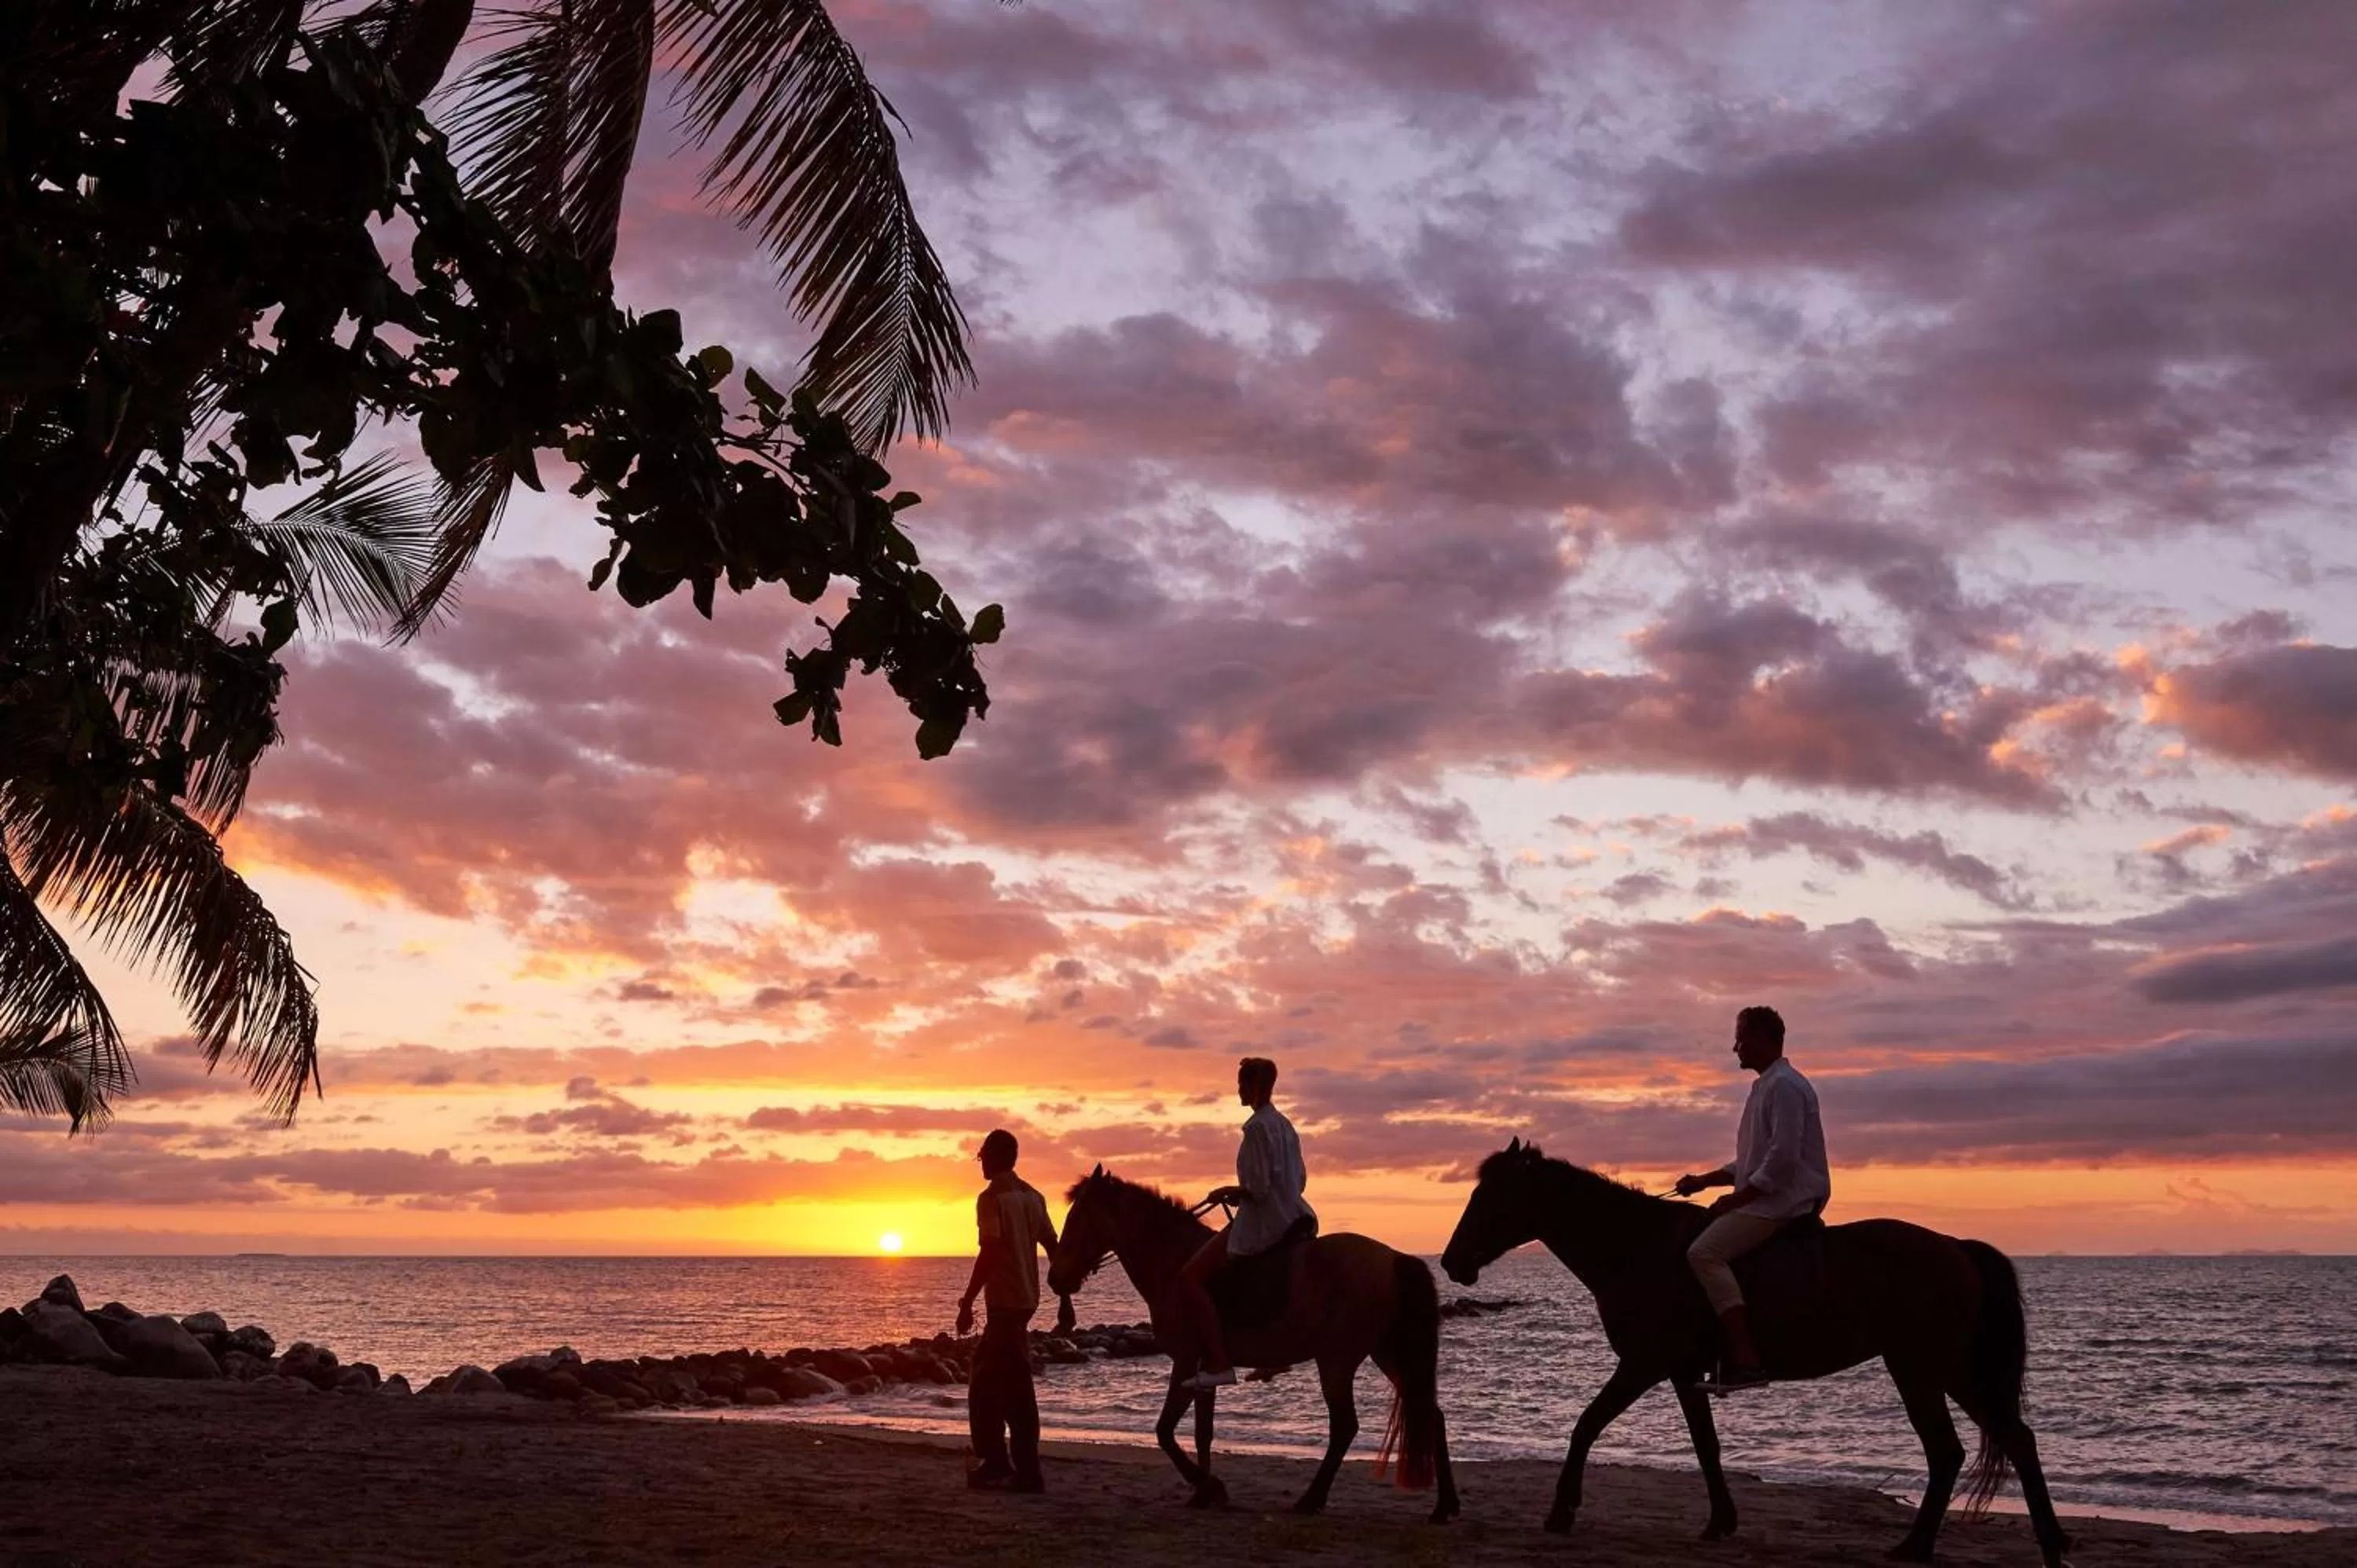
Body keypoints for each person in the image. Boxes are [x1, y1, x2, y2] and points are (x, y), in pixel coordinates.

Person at [1673, 1005, 1831, 1394]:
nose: (1735, 1047)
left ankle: (1746, 1361)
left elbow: (1783, 1160)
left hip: (1784, 1201)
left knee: (1703, 1253)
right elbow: (1750, 1160)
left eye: (1741, 1039)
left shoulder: (1785, 1087)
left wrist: (1737, 1199)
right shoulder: (1765, 1086)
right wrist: (1704, 1181)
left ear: (1763, 1040)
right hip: (1768, 1196)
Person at [1177, 1056, 1315, 1393]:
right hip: (1296, 1213)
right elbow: (1299, 1179)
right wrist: (1244, 1192)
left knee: (1190, 1279)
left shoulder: (1255, 1128)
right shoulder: (1285, 1125)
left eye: (1241, 1084)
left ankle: (1219, 1363)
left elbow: (1258, 1187)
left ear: (1253, 1086)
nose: (1238, 1090)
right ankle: (1275, 1352)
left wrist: (1231, 1191)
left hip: (1265, 1220)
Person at [956, 1127, 1057, 1490]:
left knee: (1003, 1386)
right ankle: (1001, 1461)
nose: (980, 1162)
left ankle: (1018, 1469)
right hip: (1027, 1301)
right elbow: (1052, 1244)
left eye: (982, 1156)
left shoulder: (991, 1198)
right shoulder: (1034, 1196)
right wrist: (1065, 1301)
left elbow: (991, 1250)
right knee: (994, 1380)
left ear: (995, 1157)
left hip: (1004, 1303)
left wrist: (967, 1301)